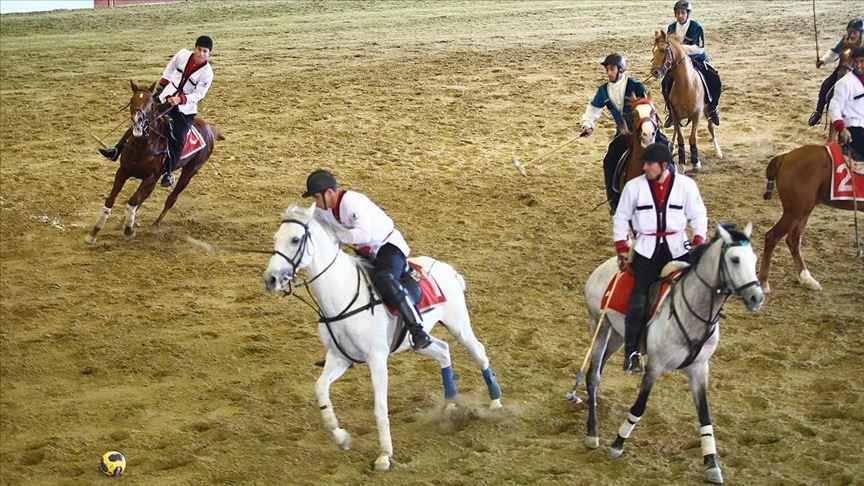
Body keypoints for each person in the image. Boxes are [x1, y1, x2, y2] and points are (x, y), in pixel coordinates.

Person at [302, 169, 432, 351]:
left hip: (388, 246)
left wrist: (335, 236)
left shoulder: (353, 202)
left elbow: (364, 234)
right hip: (366, 252)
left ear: (329, 193)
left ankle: (417, 329)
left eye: (316, 197)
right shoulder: (323, 210)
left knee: (383, 279)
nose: (314, 202)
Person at [612, 143, 707, 373]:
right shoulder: (633, 187)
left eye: (648, 163)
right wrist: (623, 246)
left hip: (677, 248)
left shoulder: (686, 186)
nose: (644, 167)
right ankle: (632, 352)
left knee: (700, 292)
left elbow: (698, 214)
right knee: (639, 299)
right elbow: (621, 217)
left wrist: (698, 239)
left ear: (664, 166)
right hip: (647, 251)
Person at [99, 35, 215, 188]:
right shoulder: (182, 55)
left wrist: (180, 99)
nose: (201, 53)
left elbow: (199, 94)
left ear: (209, 53)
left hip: (185, 109)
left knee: (179, 136)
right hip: (166, 96)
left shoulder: (207, 73)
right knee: (141, 117)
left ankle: (168, 172)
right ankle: (116, 150)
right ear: (195, 48)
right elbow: (171, 67)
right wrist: (162, 85)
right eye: (199, 49)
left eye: (205, 51)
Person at [580, 53, 669, 212]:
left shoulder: (636, 86)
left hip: (644, 129)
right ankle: (614, 200)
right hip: (623, 134)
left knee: (666, 150)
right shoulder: (604, 90)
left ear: (620, 69)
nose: (609, 73)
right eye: (607, 69)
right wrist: (588, 124)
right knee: (609, 160)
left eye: (612, 69)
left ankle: (671, 188)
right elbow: (593, 108)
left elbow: (647, 109)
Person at [662, 0, 722, 127]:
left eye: (683, 13)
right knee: (665, 82)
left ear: (687, 14)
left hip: (696, 58)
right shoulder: (671, 28)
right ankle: (672, 113)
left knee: (714, 78)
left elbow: (699, 48)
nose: (680, 16)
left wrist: (679, 49)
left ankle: (712, 109)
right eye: (678, 13)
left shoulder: (696, 27)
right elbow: (669, 48)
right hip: (678, 62)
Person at [809, 19, 863, 127]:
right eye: (850, 31)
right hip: (842, 68)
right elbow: (835, 52)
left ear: (860, 33)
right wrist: (823, 61)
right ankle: (818, 112)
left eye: (854, 32)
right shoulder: (844, 40)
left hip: (858, 71)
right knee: (826, 85)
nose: (851, 34)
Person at [829, 45, 864, 161]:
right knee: (826, 86)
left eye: (862, 61)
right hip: (853, 129)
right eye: (856, 61)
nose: (858, 65)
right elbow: (834, 107)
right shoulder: (844, 83)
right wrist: (841, 128)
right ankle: (818, 112)